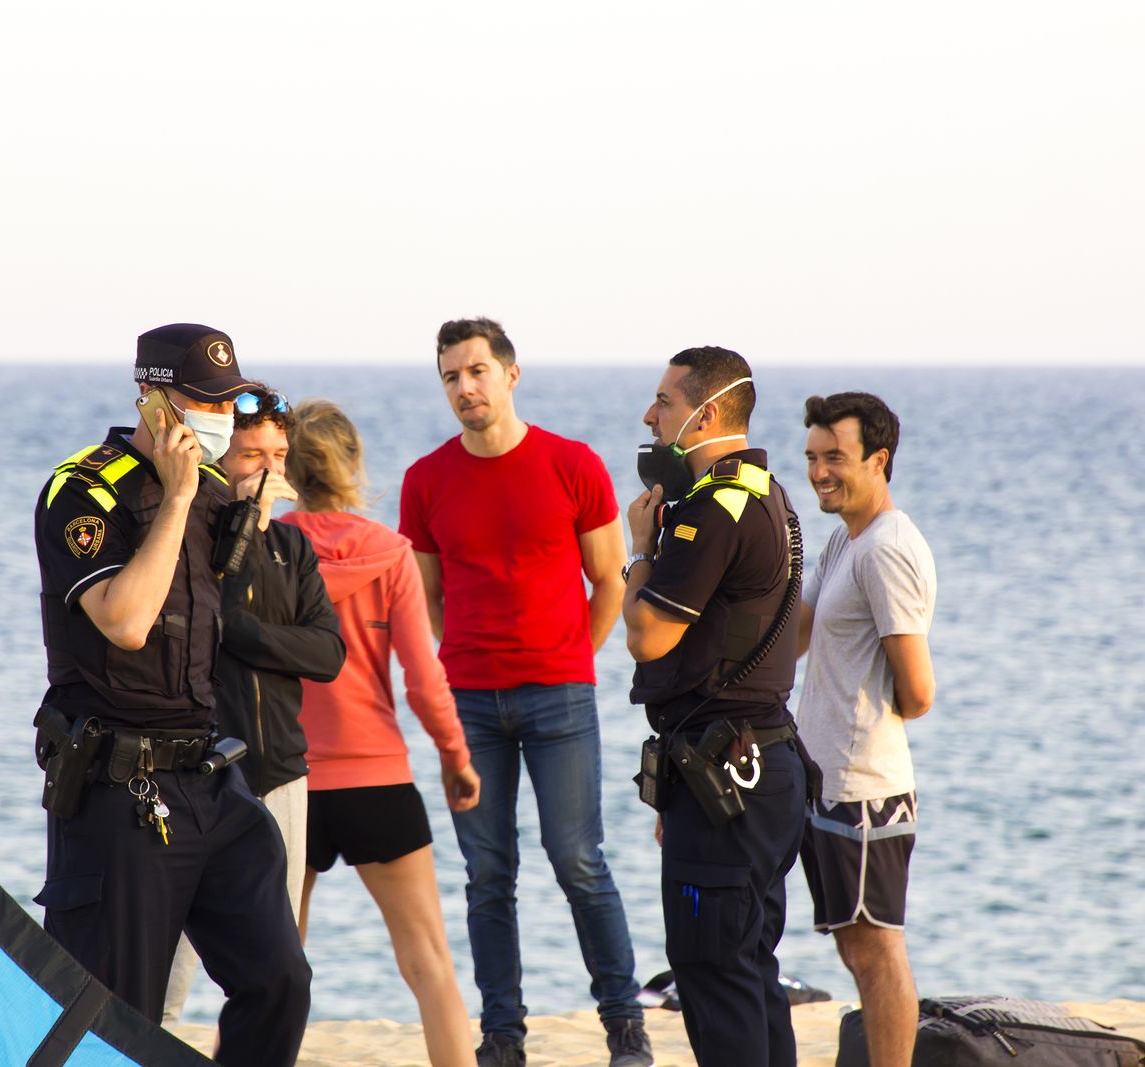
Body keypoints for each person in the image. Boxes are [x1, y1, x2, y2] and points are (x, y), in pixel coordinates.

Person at [32, 323, 309, 1067]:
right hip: (121, 790)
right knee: (113, 1018)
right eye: (204, 402)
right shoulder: (81, 488)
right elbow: (125, 620)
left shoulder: (217, 492)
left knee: (280, 977)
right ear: (152, 398)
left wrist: (236, 504)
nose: (219, 418)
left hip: (210, 781)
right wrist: (181, 494)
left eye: (230, 403)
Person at [400, 318, 651, 1067]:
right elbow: (430, 595)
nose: (464, 388)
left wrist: (573, 652)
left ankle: (625, 1026)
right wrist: (456, 665)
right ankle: (503, 1036)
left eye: (476, 370)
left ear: (511, 374)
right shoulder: (426, 479)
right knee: (487, 875)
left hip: (560, 698)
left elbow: (609, 579)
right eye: (450, 376)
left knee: (579, 860)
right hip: (470, 702)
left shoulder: (571, 463)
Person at [277, 399, 481, 1067]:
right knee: (429, 964)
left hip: (286, 783)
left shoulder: (266, 550)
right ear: (353, 465)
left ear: (289, 468)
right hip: (377, 780)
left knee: (269, 971)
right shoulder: (390, 554)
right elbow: (424, 678)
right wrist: (455, 756)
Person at [622, 346, 807, 1067]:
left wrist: (641, 548)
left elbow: (647, 633)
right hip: (754, 766)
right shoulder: (766, 491)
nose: (649, 415)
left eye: (664, 402)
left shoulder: (716, 506)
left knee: (714, 972)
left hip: (730, 774)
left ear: (708, 413)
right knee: (748, 967)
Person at [162, 384, 347, 1025]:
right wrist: (239, 529)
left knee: (277, 962)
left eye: (278, 454)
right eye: (250, 455)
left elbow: (328, 654)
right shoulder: (191, 539)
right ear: (219, 459)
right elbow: (210, 624)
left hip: (285, 772)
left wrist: (252, 638)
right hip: (207, 772)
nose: (268, 470)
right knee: (171, 971)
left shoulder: (292, 547)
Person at [795, 392, 936, 1067]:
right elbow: (794, 636)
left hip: (866, 790)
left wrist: (864, 725)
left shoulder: (887, 549)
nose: (820, 471)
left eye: (836, 458)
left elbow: (919, 690)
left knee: (878, 951)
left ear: (879, 459)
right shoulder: (844, 537)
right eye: (813, 457)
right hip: (827, 782)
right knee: (855, 949)